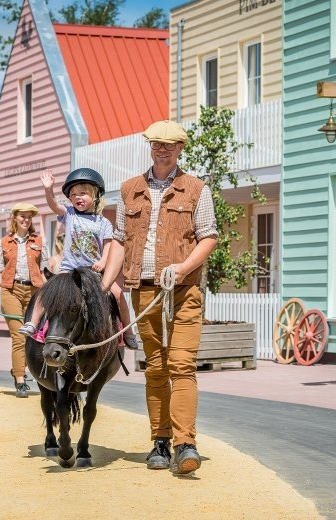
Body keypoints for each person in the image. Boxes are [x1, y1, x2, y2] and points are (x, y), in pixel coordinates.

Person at [101, 119, 218, 475]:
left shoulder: (196, 189)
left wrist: (183, 268)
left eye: (169, 144)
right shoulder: (129, 189)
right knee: (155, 367)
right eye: (156, 143)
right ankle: (160, 441)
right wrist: (104, 285)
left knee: (181, 365)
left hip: (183, 291)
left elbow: (208, 237)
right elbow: (119, 240)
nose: (162, 149)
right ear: (150, 146)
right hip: (145, 290)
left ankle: (185, 444)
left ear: (180, 148)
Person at [19, 168, 138, 350]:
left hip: (93, 272)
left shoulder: (103, 223)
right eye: (73, 195)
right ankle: (33, 323)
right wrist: (48, 189)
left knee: (118, 294)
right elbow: (53, 205)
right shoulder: (70, 215)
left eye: (82, 193)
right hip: (69, 270)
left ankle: (128, 332)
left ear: (95, 195)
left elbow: (109, 246)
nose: (77, 198)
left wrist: (103, 262)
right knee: (47, 291)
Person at [0, 202, 49, 398]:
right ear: (15, 218)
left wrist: (51, 294)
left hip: (34, 291)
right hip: (10, 291)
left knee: (33, 335)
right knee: (19, 336)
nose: (26, 220)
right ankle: (20, 379)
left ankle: (20, 368)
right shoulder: (3, 243)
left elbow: (44, 272)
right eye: (23, 216)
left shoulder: (39, 241)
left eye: (29, 217)